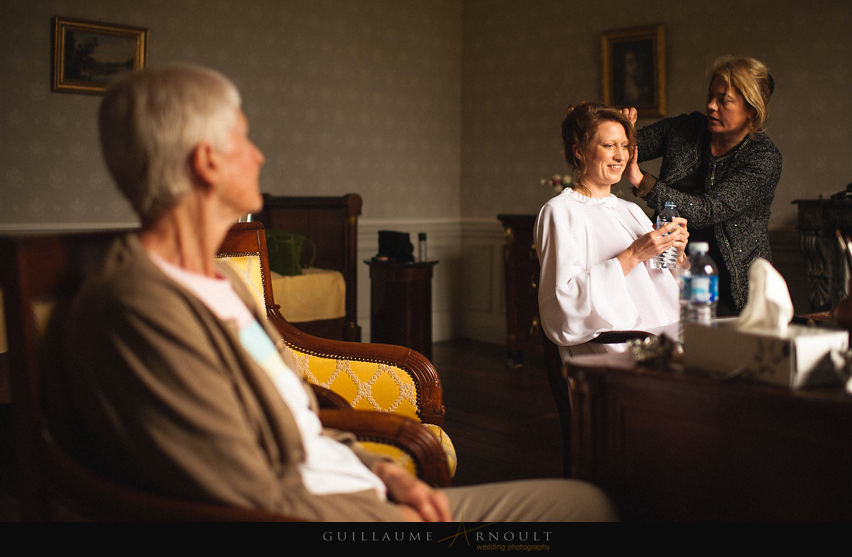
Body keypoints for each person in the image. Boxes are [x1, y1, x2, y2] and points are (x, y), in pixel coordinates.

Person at [49, 63, 616, 522]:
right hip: (333, 519)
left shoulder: (220, 282)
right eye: (245, 138)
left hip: (362, 487)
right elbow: (244, 491)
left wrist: (383, 469)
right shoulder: (136, 307)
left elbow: (291, 417)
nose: (259, 155)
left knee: (587, 504)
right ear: (206, 162)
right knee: (586, 510)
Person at [623, 56, 782, 315]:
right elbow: (630, 146)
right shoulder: (685, 128)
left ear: (751, 110)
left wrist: (643, 182)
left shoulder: (763, 157)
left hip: (734, 289)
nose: (711, 106)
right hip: (670, 272)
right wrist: (622, 131)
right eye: (711, 96)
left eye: (724, 100)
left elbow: (706, 210)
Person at [535, 102, 689, 351]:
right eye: (609, 146)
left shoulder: (631, 210)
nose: (621, 156)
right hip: (621, 349)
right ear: (579, 151)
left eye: (625, 146)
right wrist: (633, 255)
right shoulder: (560, 211)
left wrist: (677, 255)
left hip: (671, 335)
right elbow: (563, 303)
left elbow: (666, 286)